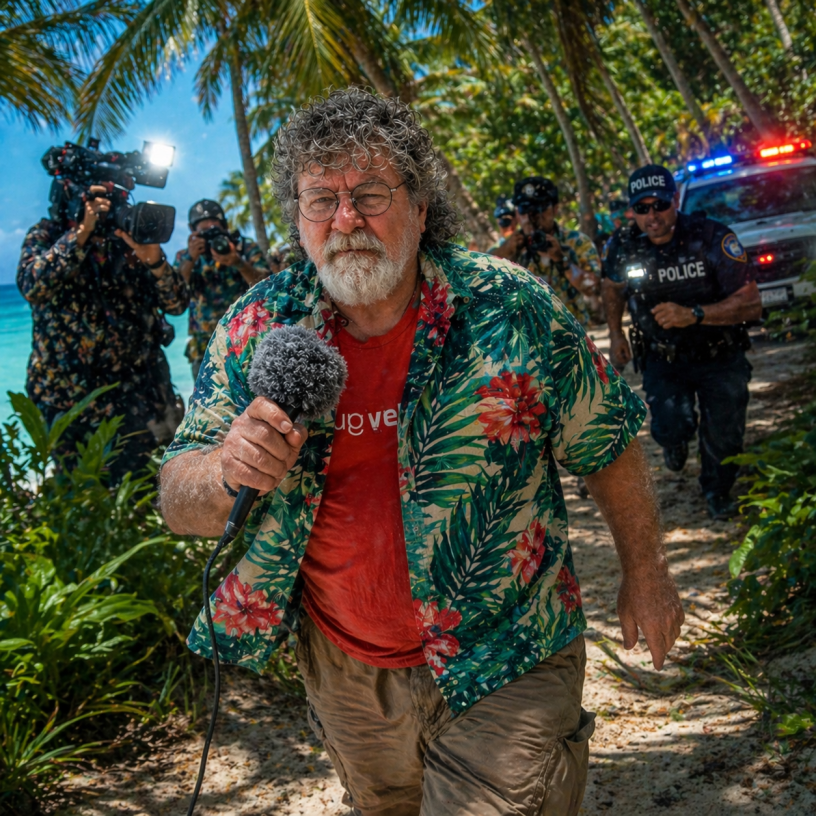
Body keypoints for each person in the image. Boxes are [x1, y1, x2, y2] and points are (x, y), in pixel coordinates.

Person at [159, 89, 684, 816]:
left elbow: (607, 443)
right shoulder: (257, 328)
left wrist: (647, 573)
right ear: (299, 218)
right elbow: (177, 497)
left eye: (370, 194)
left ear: (420, 205)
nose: (346, 219)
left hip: (509, 650)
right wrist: (224, 470)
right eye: (321, 200)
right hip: (346, 671)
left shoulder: (512, 309)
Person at [601, 164, 762, 520]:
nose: (652, 215)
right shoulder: (622, 245)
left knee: (725, 431)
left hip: (720, 354)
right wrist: (615, 334)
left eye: (659, 204)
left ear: (675, 200)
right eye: (642, 208)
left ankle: (717, 492)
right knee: (670, 426)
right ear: (632, 211)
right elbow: (612, 288)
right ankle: (675, 442)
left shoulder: (711, 237)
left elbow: (751, 302)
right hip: (663, 358)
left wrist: (696, 314)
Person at [17, 185, 188, 482]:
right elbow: (32, 285)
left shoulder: (128, 240)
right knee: (80, 490)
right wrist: (81, 234)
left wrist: (155, 261)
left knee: (147, 488)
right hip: (69, 400)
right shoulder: (49, 233)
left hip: (138, 395)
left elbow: (177, 303)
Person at [174, 199, 272, 379]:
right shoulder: (186, 256)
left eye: (215, 229)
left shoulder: (244, 248)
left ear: (225, 227)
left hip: (248, 343)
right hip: (205, 349)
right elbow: (174, 295)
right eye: (204, 232)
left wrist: (238, 262)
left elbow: (268, 288)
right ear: (193, 232)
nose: (211, 237)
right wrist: (190, 258)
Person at [490, 177, 601, 326]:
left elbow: (593, 288)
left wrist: (561, 260)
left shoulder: (576, 242)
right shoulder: (508, 245)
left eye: (540, 208)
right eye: (524, 209)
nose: (532, 216)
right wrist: (509, 251)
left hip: (570, 332)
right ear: (516, 214)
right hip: (525, 334)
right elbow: (482, 281)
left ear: (555, 209)